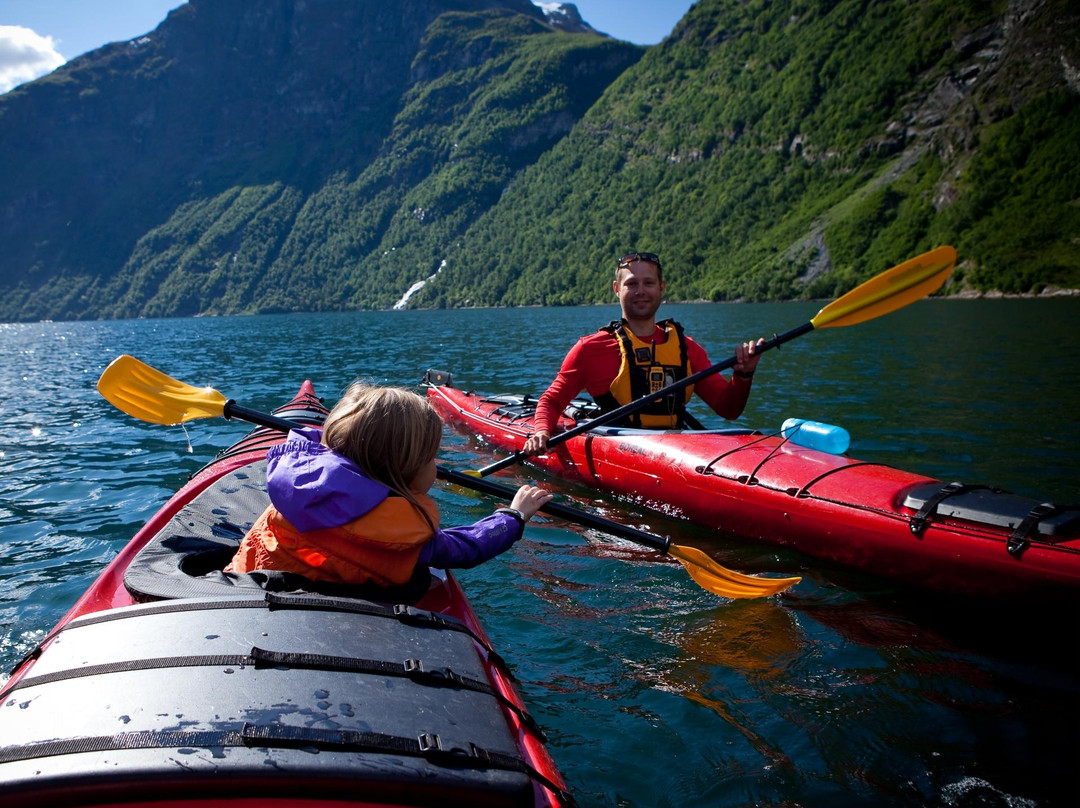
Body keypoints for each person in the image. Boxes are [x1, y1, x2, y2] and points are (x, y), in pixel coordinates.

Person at [226, 383, 552, 588]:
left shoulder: (295, 491)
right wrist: (513, 517)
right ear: (403, 471)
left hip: (242, 593)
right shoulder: (405, 538)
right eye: (430, 458)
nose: (435, 466)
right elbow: (468, 548)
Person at [523, 251, 764, 454]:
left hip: (674, 452)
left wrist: (743, 376)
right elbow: (552, 401)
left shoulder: (687, 348)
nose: (641, 291)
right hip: (617, 451)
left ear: (662, 287)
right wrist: (542, 432)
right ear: (617, 289)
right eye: (631, 284)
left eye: (648, 283)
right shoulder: (590, 349)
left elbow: (728, 409)